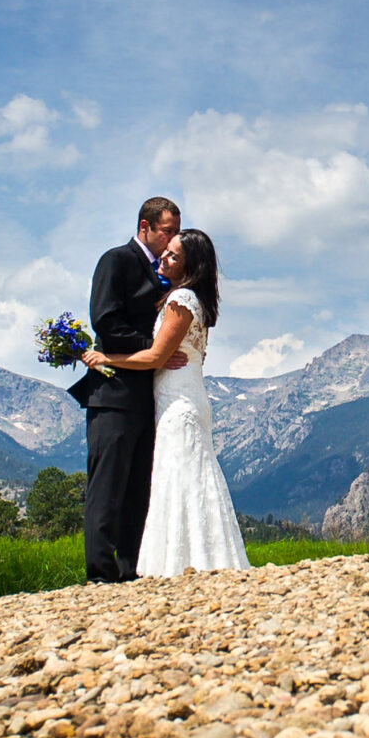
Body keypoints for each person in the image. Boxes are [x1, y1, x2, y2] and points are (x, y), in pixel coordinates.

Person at [84, 228, 249, 577]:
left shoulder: (182, 299)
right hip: (182, 395)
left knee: (179, 475)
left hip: (178, 403)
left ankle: (179, 563)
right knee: (188, 475)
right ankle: (199, 558)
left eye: (174, 256)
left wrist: (107, 358)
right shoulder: (193, 299)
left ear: (191, 266)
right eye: (166, 251)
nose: (164, 258)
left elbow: (157, 356)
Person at [69, 197, 185, 581]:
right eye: (166, 231)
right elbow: (105, 320)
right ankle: (99, 572)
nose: (171, 239)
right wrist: (152, 350)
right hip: (113, 393)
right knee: (107, 486)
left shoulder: (165, 275)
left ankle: (130, 568)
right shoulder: (115, 260)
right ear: (144, 228)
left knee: (138, 487)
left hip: (147, 395)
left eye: (174, 233)